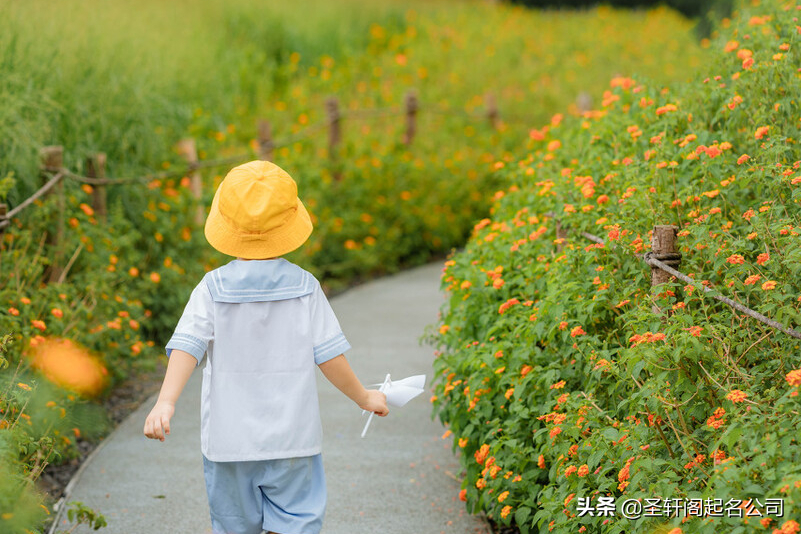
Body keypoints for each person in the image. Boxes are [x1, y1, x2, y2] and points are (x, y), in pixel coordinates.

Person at [143, 160, 388, 534]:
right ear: (290, 222)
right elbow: (329, 356)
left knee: (235, 526)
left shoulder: (211, 288)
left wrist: (166, 401)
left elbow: (187, 347)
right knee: (295, 522)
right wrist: (364, 397)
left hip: (228, 445)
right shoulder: (306, 287)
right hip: (294, 440)